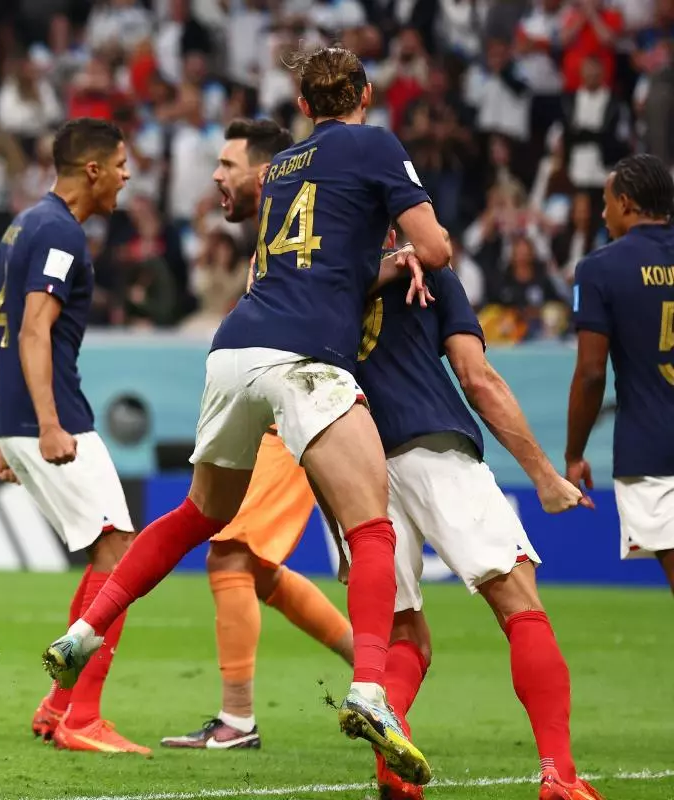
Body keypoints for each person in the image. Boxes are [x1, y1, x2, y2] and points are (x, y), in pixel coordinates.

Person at [42, 46, 451, 785]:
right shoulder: (377, 145)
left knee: (201, 513)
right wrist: (419, 254)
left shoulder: (285, 168)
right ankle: (369, 688)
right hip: (309, 360)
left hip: (235, 348)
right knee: (371, 524)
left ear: (301, 104)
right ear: (363, 92)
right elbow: (435, 247)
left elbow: (314, 268)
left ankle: (85, 628)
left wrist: (377, 264)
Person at [350, 265, 598, 800]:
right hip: (432, 444)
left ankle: (395, 762)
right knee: (519, 602)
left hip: (351, 462)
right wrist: (544, 477)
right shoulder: (426, 268)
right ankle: (560, 774)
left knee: (403, 633)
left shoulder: (315, 268)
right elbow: (476, 377)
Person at [161, 119, 354, 752]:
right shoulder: (274, 240)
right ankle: (385, 662)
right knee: (260, 572)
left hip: (287, 419)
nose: (215, 175)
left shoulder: (304, 239)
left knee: (229, 557)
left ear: (266, 173)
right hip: (270, 419)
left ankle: (237, 721)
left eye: (227, 164)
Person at [0, 118, 147, 754]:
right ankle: (81, 716)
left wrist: (2, 431)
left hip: (18, 419)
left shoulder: (21, 226)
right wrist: (46, 425)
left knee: (108, 550)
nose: (129, 176)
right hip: (54, 419)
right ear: (94, 170)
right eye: (123, 164)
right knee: (122, 556)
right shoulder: (59, 234)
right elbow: (31, 332)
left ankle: (59, 704)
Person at [567, 153, 674, 594]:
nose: (604, 212)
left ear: (627, 203)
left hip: (653, 451)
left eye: (608, 202)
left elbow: (592, 373)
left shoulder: (599, 269)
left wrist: (574, 454)